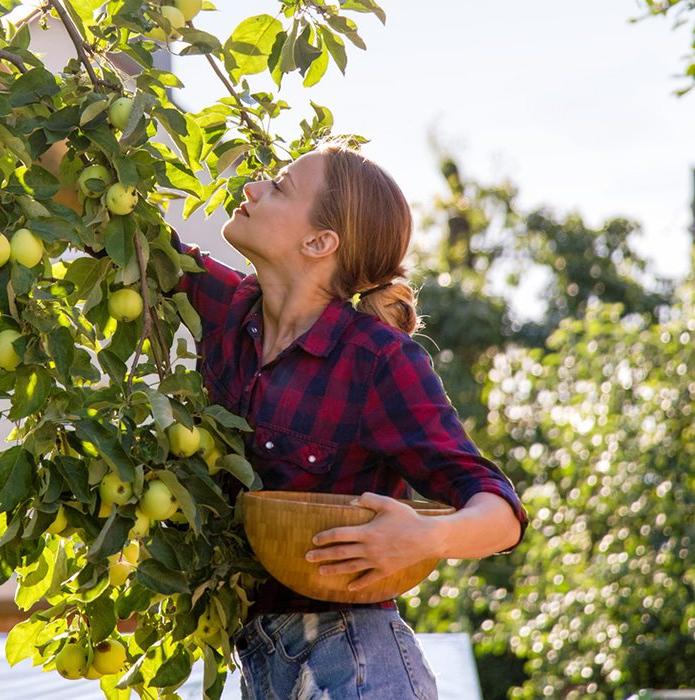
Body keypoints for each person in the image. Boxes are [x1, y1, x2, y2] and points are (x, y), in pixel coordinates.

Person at [171, 139, 529, 699]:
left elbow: (499, 511)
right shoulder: (229, 313)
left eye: (279, 187)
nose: (251, 188)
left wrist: (424, 537)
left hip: (356, 660)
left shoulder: (377, 360)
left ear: (320, 241)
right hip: (264, 664)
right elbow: (116, 225)